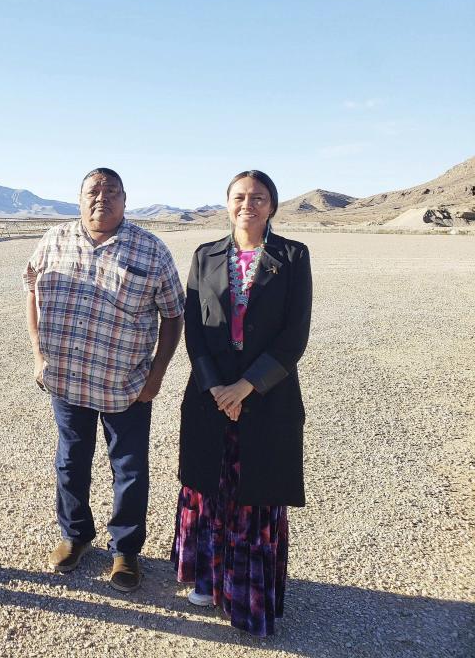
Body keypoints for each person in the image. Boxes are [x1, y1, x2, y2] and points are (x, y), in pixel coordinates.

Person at [23, 167, 185, 592]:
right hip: (67, 380)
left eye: (112, 191)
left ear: (125, 200)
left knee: (129, 468)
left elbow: (173, 314)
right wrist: (39, 354)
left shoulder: (151, 250)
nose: (102, 198)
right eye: (94, 190)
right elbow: (33, 291)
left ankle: (125, 550)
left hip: (126, 385)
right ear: (79, 198)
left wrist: (156, 375)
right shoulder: (54, 240)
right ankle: (75, 536)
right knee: (70, 461)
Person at [171, 169, 312, 636]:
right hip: (210, 397)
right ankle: (207, 579)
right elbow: (194, 329)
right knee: (208, 486)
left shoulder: (292, 257)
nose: (247, 204)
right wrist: (216, 388)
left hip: (266, 399)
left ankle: (245, 595)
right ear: (227, 203)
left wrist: (246, 387)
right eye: (239, 196)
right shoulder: (206, 255)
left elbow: (294, 338)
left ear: (272, 205)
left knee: (254, 494)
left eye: (258, 197)